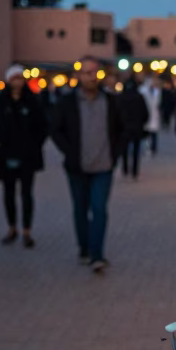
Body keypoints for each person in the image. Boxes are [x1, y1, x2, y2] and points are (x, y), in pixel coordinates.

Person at [51, 57, 122, 272]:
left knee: (99, 209)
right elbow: (55, 129)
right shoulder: (67, 102)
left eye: (95, 72)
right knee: (80, 209)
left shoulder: (110, 101)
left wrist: (115, 153)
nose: (92, 77)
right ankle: (84, 247)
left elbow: (121, 129)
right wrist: (69, 151)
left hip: (103, 166)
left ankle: (97, 254)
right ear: (78, 76)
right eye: (87, 72)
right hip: (77, 166)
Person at [0, 64, 48, 248]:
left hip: (27, 156)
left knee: (27, 194)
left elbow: (42, 127)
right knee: (9, 193)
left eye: (20, 78)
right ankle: (12, 227)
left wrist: (35, 145)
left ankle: (27, 230)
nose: (17, 82)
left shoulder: (32, 102)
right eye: (14, 78)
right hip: (6, 156)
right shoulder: (0, 102)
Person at [117, 76, 150, 179]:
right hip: (137, 126)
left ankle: (125, 168)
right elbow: (145, 113)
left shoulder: (121, 97)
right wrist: (143, 122)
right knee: (136, 150)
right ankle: (135, 170)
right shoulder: (139, 97)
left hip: (124, 127)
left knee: (124, 149)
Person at [140, 76, 162, 156]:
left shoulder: (157, 91)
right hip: (146, 114)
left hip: (154, 115)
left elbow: (158, 104)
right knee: (146, 134)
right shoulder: (142, 90)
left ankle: (153, 149)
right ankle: (146, 148)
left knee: (154, 134)